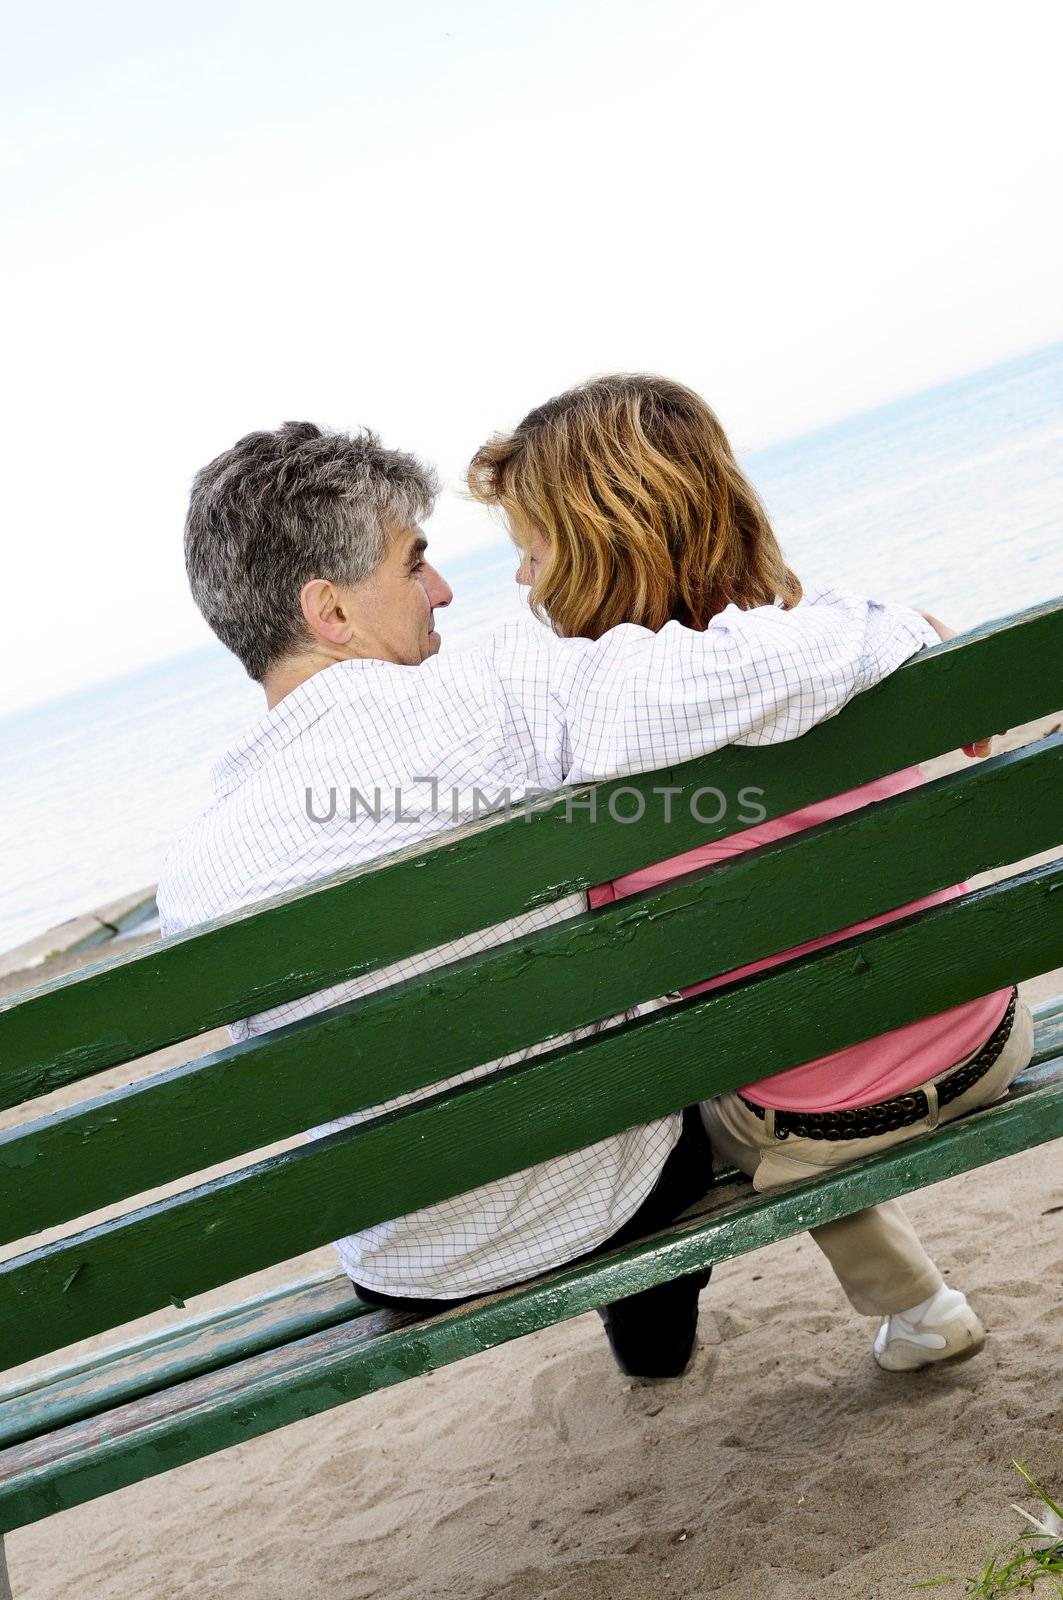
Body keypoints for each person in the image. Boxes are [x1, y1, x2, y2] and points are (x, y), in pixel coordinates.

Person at [158, 419, 939, 1381]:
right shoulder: (496, 691)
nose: (441, 590)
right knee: (656, 1059)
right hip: (619, 1190)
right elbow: (757, 669)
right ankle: (681, 1338)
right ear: (330, 612)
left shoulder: (190, 874)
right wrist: (891, 622)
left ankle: (653, 1356)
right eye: (414, 565)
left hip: (410, 1260)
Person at [466, 373, 1034, 1374]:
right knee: (794, 1015)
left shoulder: (590, 750)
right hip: (986, 1028)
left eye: (531, 550)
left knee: (722, 1064)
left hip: (804, 1122)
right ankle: (910, 1303)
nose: (522, 580)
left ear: (597, 544)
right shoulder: (853, 651)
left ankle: (911, 1303)